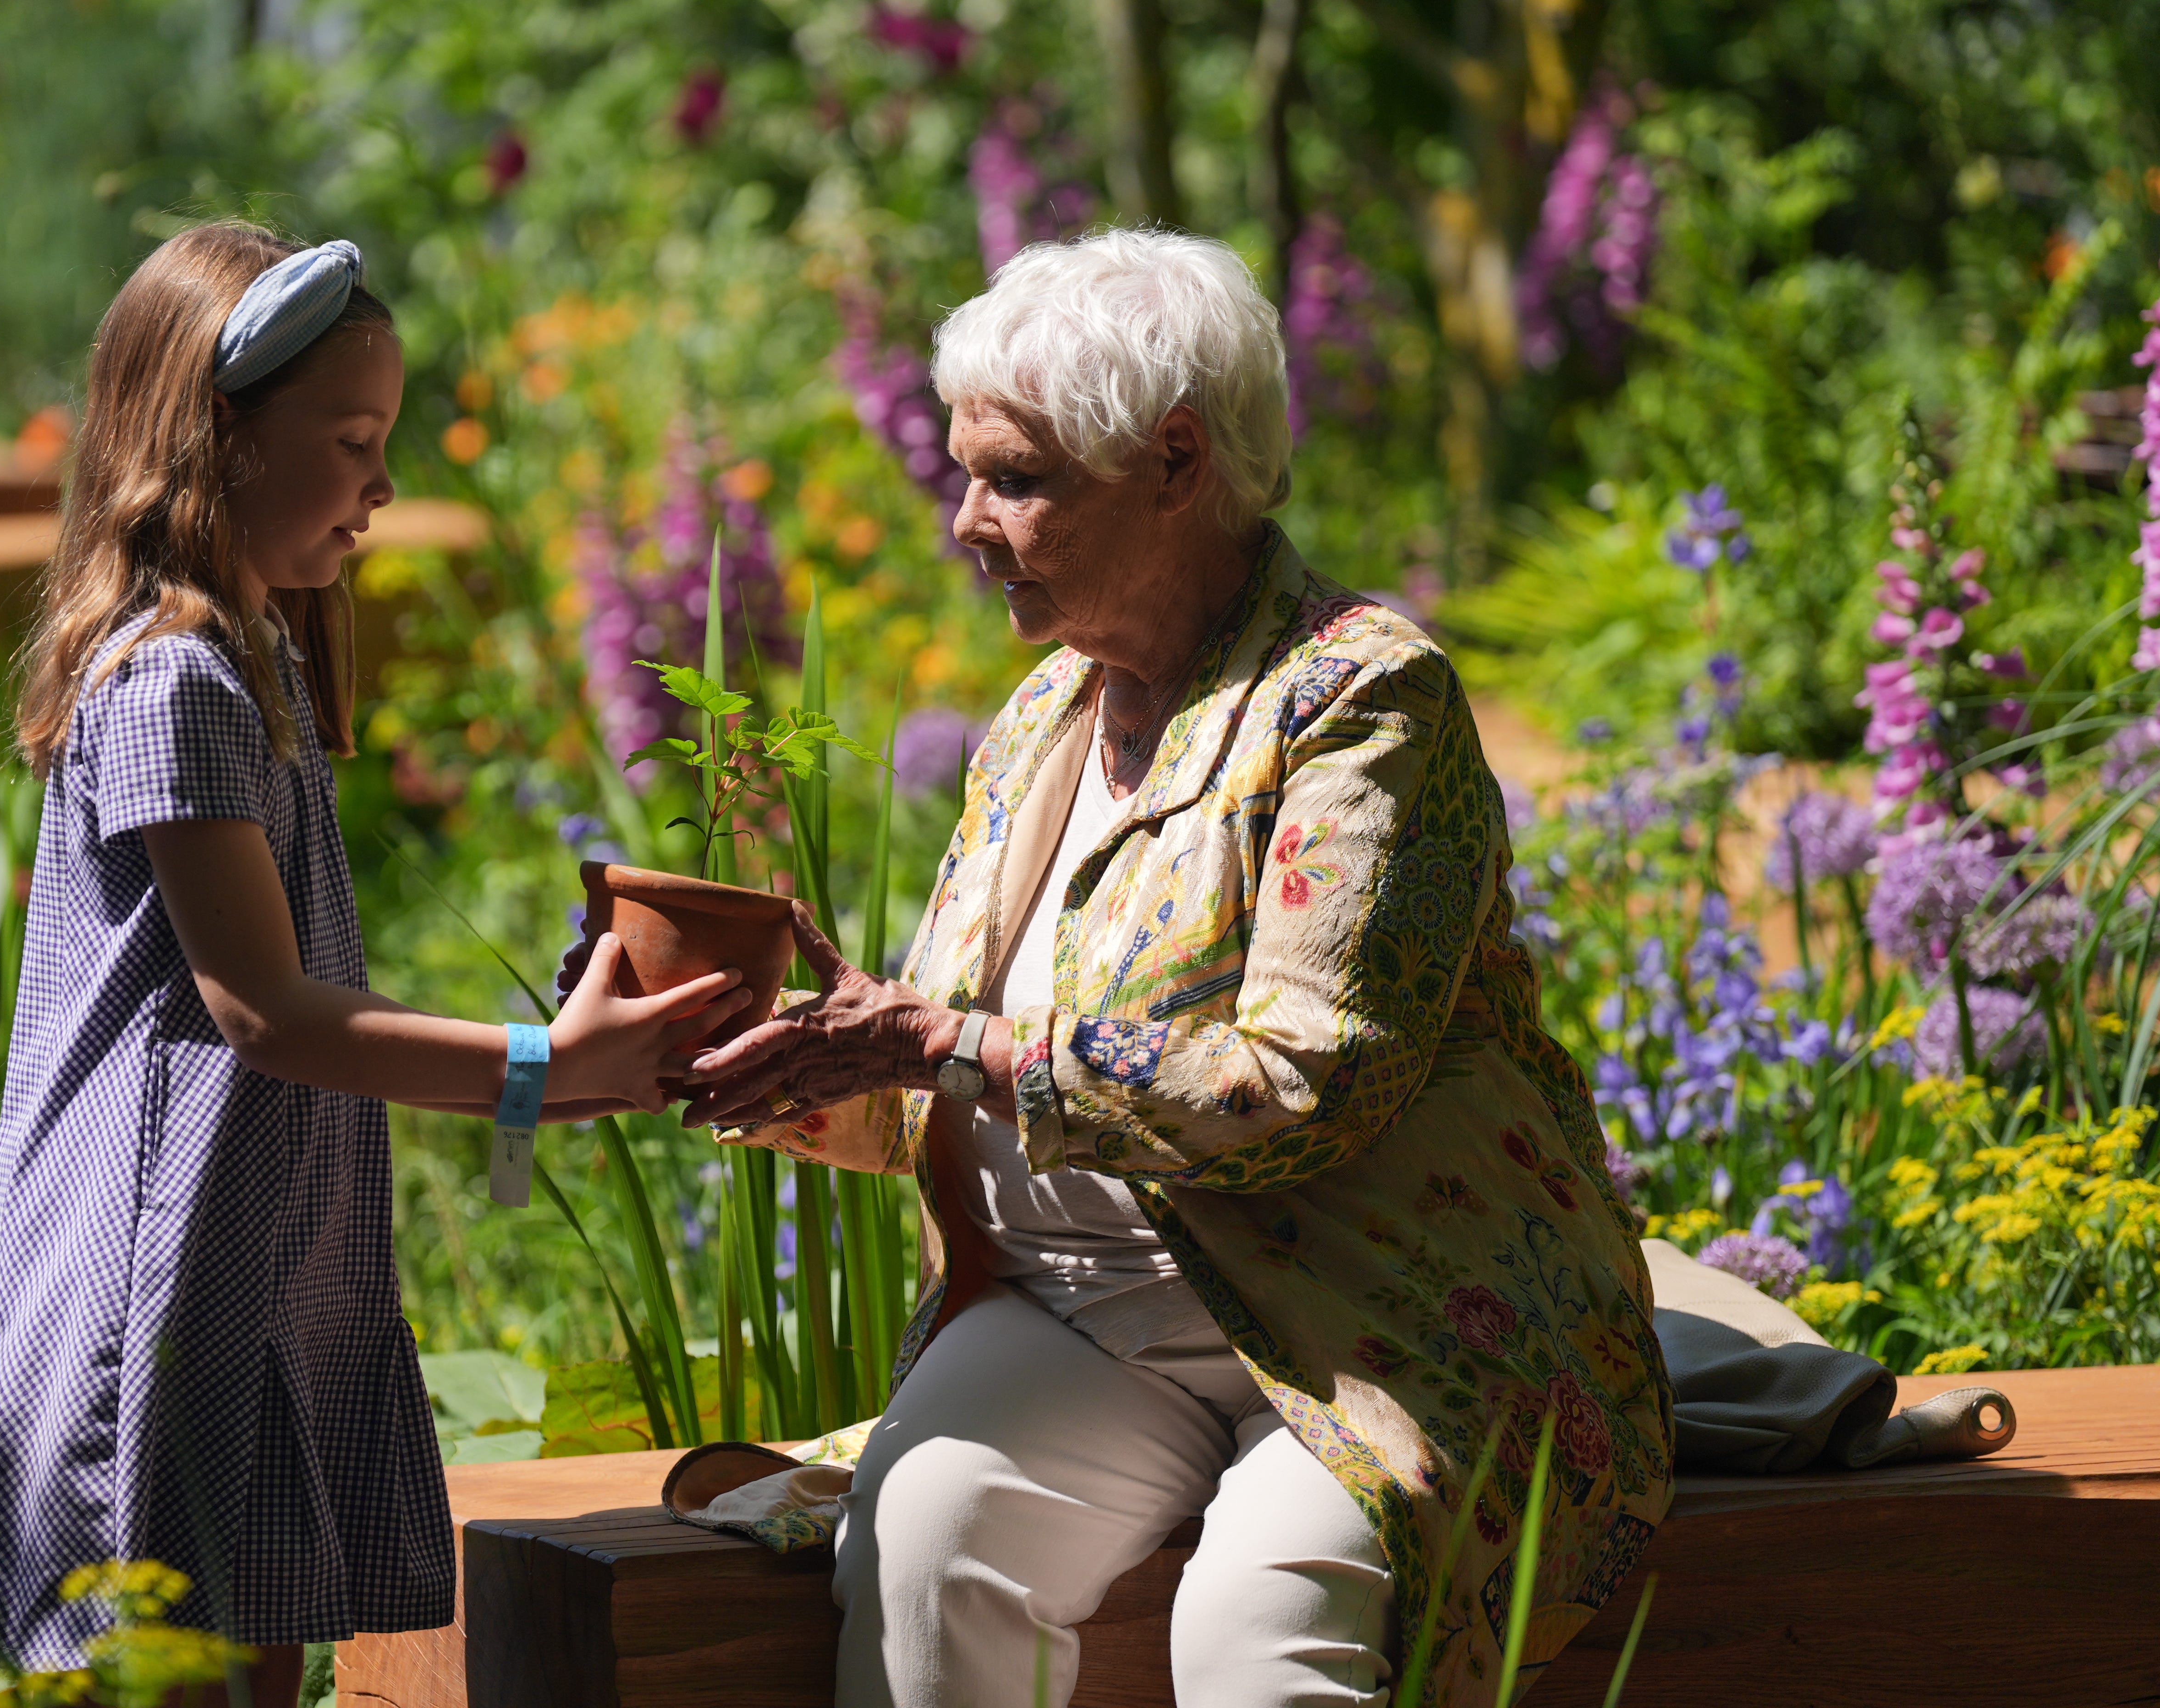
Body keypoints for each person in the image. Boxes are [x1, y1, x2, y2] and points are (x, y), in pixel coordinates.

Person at [678, 229, 1673, 1707]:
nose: (964, 520)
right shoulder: (1044, 720)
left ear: (1178, 460)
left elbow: (1302, 1082)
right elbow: (945, 1088)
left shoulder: (1358, 697)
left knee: (1258, 1643)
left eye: (1014, 479)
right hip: (1079, 1318)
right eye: (969, 473)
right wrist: (765, 1038)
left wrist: (942, 1042)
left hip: (1366, 1321)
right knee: (923, 1552)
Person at [0, 223, 751, 1700]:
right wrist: (535, 1072)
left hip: (261, 1237)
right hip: (164, 1262)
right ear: (218, 438)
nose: (383, 484)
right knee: (167, 1655)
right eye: (356, 440)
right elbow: (266, 1013)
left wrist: (558, 1075)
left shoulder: (256, 659)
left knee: (265, 1642)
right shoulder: (175, 677)